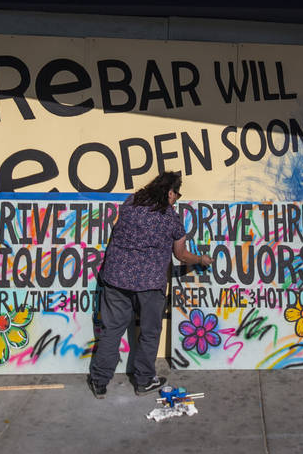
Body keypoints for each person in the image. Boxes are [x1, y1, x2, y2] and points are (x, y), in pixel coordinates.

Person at [87, 170, 211, 399]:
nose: (177, 199)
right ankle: (143, 381)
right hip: (149, 284)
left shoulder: (131, 202)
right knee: (150, 332)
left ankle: (99, 380)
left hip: (116, 278)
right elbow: (181, 255)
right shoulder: (170, 218)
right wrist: (201, 260)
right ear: (169, 192)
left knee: (111, 330)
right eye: (177, 194)